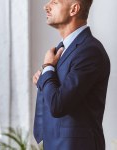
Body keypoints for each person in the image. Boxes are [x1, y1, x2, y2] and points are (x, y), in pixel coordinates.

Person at [32, 0, 110, 149]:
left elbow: (58, 105)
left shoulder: (90, 51)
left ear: (74, 9)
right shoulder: (65, 50)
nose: (46, 6)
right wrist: (43, 80)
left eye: (54, 2)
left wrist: (48, 68)